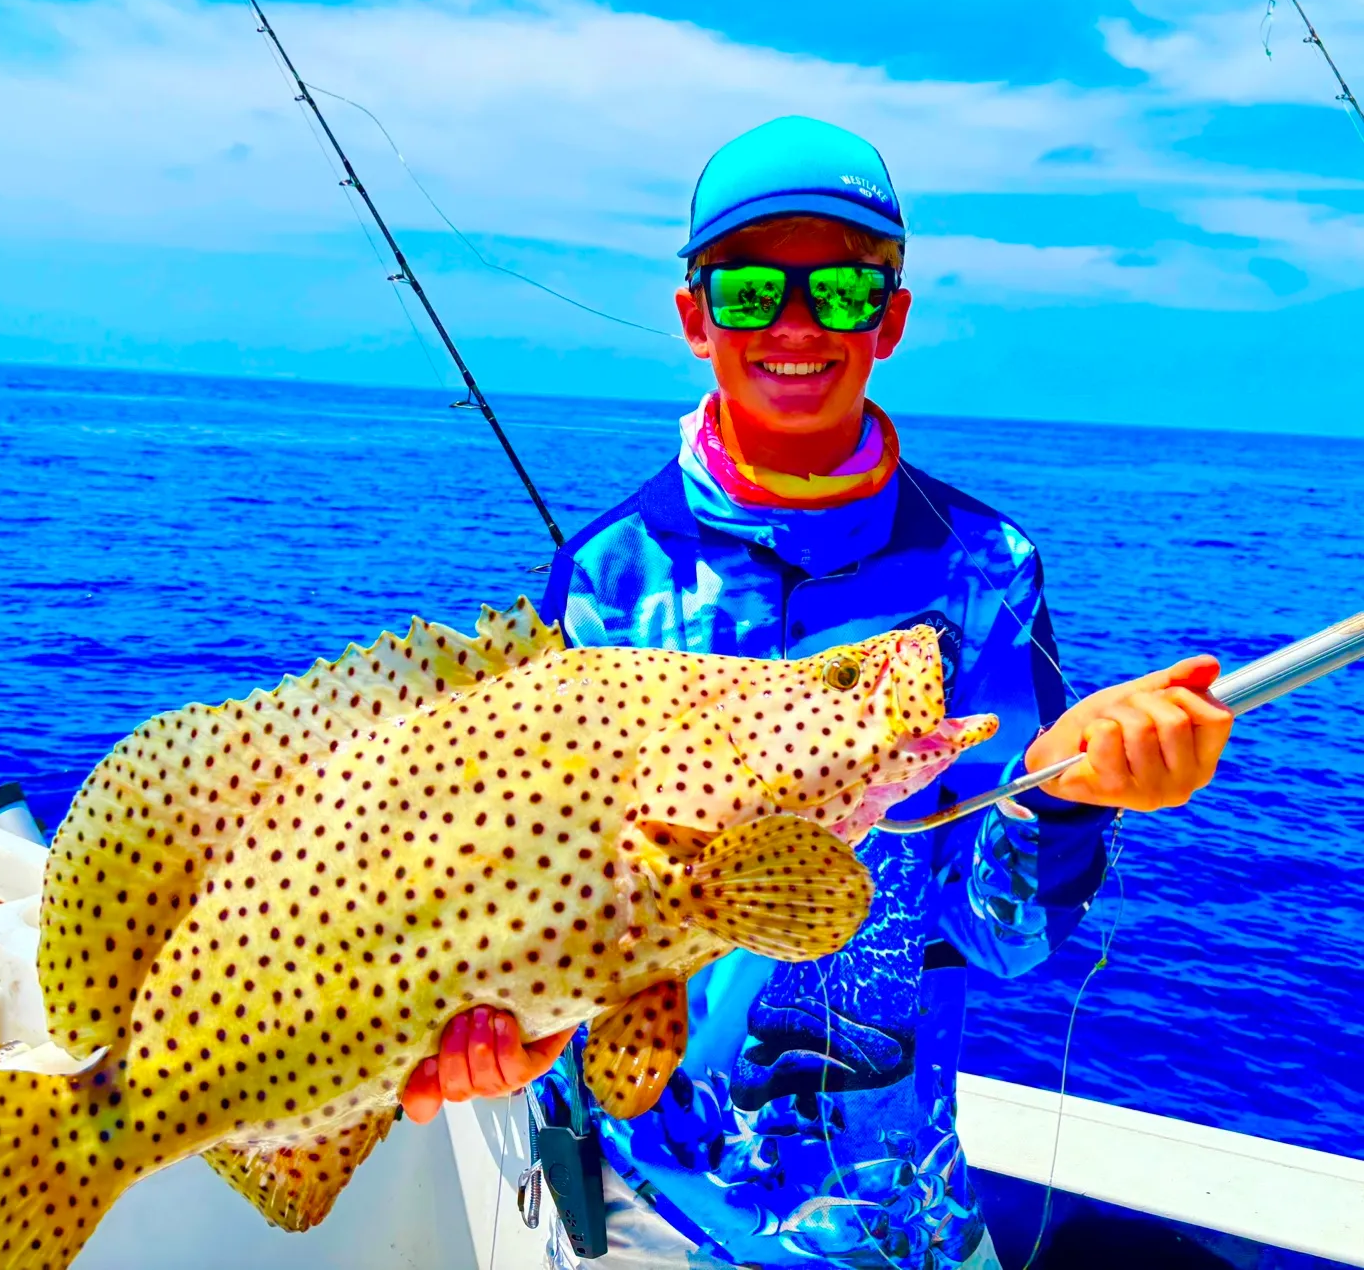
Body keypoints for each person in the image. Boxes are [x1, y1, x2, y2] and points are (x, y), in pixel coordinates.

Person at [399, 116, 1233, 1269]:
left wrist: (1078, 792)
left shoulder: (985, 573)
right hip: (655, 1215)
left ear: (890, 317)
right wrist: (498, 1026)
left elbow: (1004, 942)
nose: (795, 325)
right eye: (750, 291)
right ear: (696, 318)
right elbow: (533, 888)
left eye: (841, 290)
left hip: (902, 1225)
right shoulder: (605, 579)